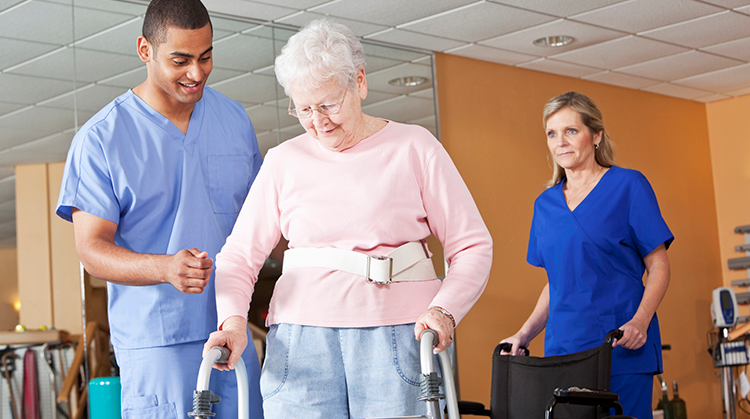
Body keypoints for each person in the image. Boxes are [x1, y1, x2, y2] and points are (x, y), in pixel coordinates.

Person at [203, 19, 493, 419]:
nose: (318, 121)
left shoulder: (414, 147)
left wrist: (445, 309)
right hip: (300, 344)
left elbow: (472, 245)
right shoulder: (283, 161)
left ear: (359, 82)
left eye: (328, 104)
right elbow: (238, 256)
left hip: (398, 335)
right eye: (303, 109)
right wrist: (233, 319)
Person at [55, 0, 263, 417]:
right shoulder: (102, 139)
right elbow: (91, 250)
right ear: (144, 50)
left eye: (206, 57)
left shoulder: (234, 120)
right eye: (181, 60)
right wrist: (165, 268)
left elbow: (262, 220)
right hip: (158, 343)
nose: (197, 72)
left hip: (233, 329)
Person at [501, 91, 673, 419]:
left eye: (571, 131)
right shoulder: (545, 205)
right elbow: (558, 283)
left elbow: (659, 265)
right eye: (552, 134)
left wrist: (641, 321)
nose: (560, 142)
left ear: (596, 135)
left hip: (621, 345)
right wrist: (524, 333)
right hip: (565, 350)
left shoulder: (628, 185)